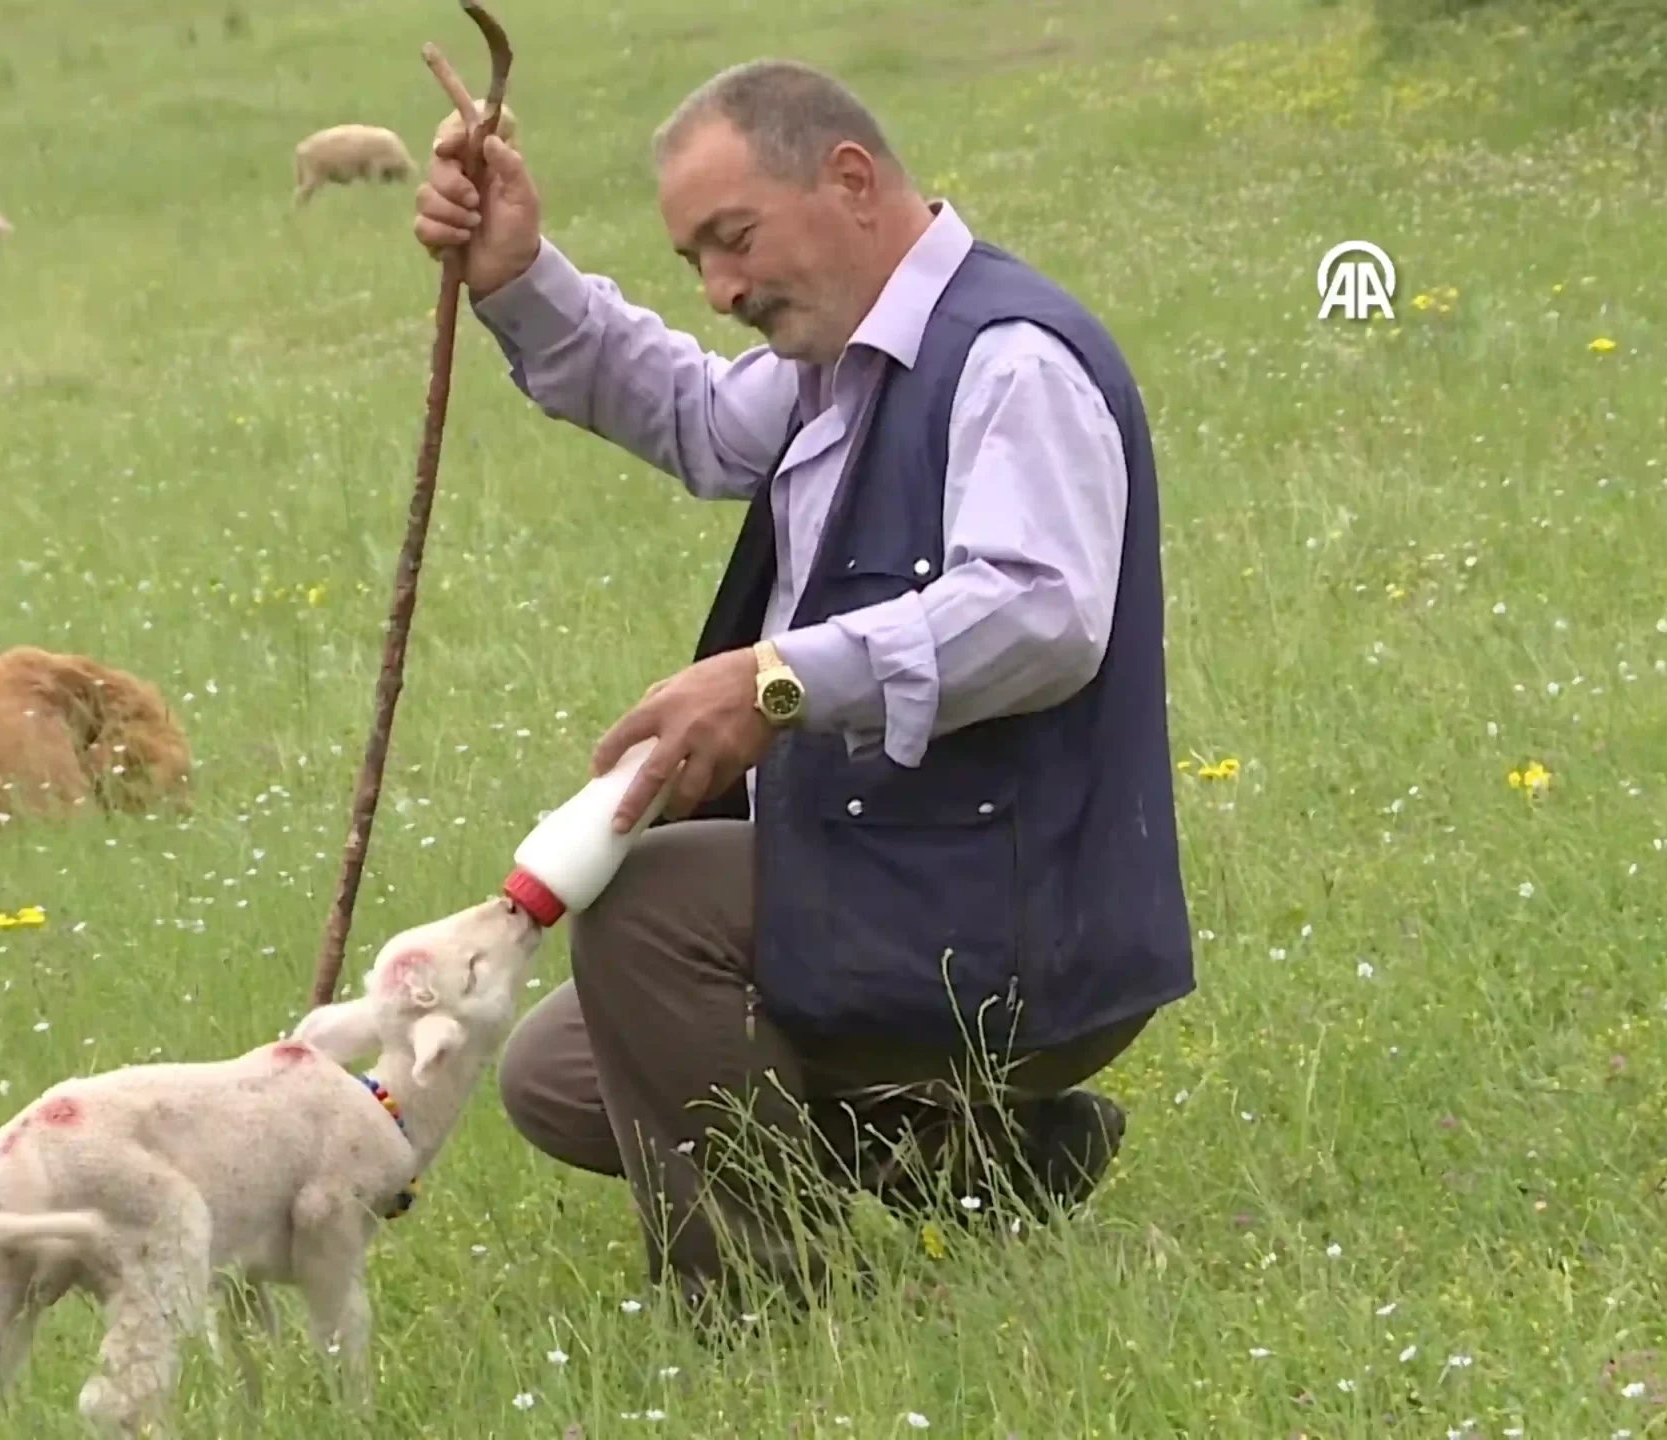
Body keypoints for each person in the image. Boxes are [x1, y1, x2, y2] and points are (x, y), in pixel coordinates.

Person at [412, 59, 1197, 1314]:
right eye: (697, 264)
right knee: (564, 1073)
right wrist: (518, 273)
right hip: (904, 884)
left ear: (848, 181)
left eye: (734, 240)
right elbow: (694, 415)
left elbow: (1043, 613)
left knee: (649, 917)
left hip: (1020, 921)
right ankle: (977, 1156)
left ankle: (765, 1311)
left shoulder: (1007, 359)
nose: (722, 290)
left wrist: (776, 681)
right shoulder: (841, 360)